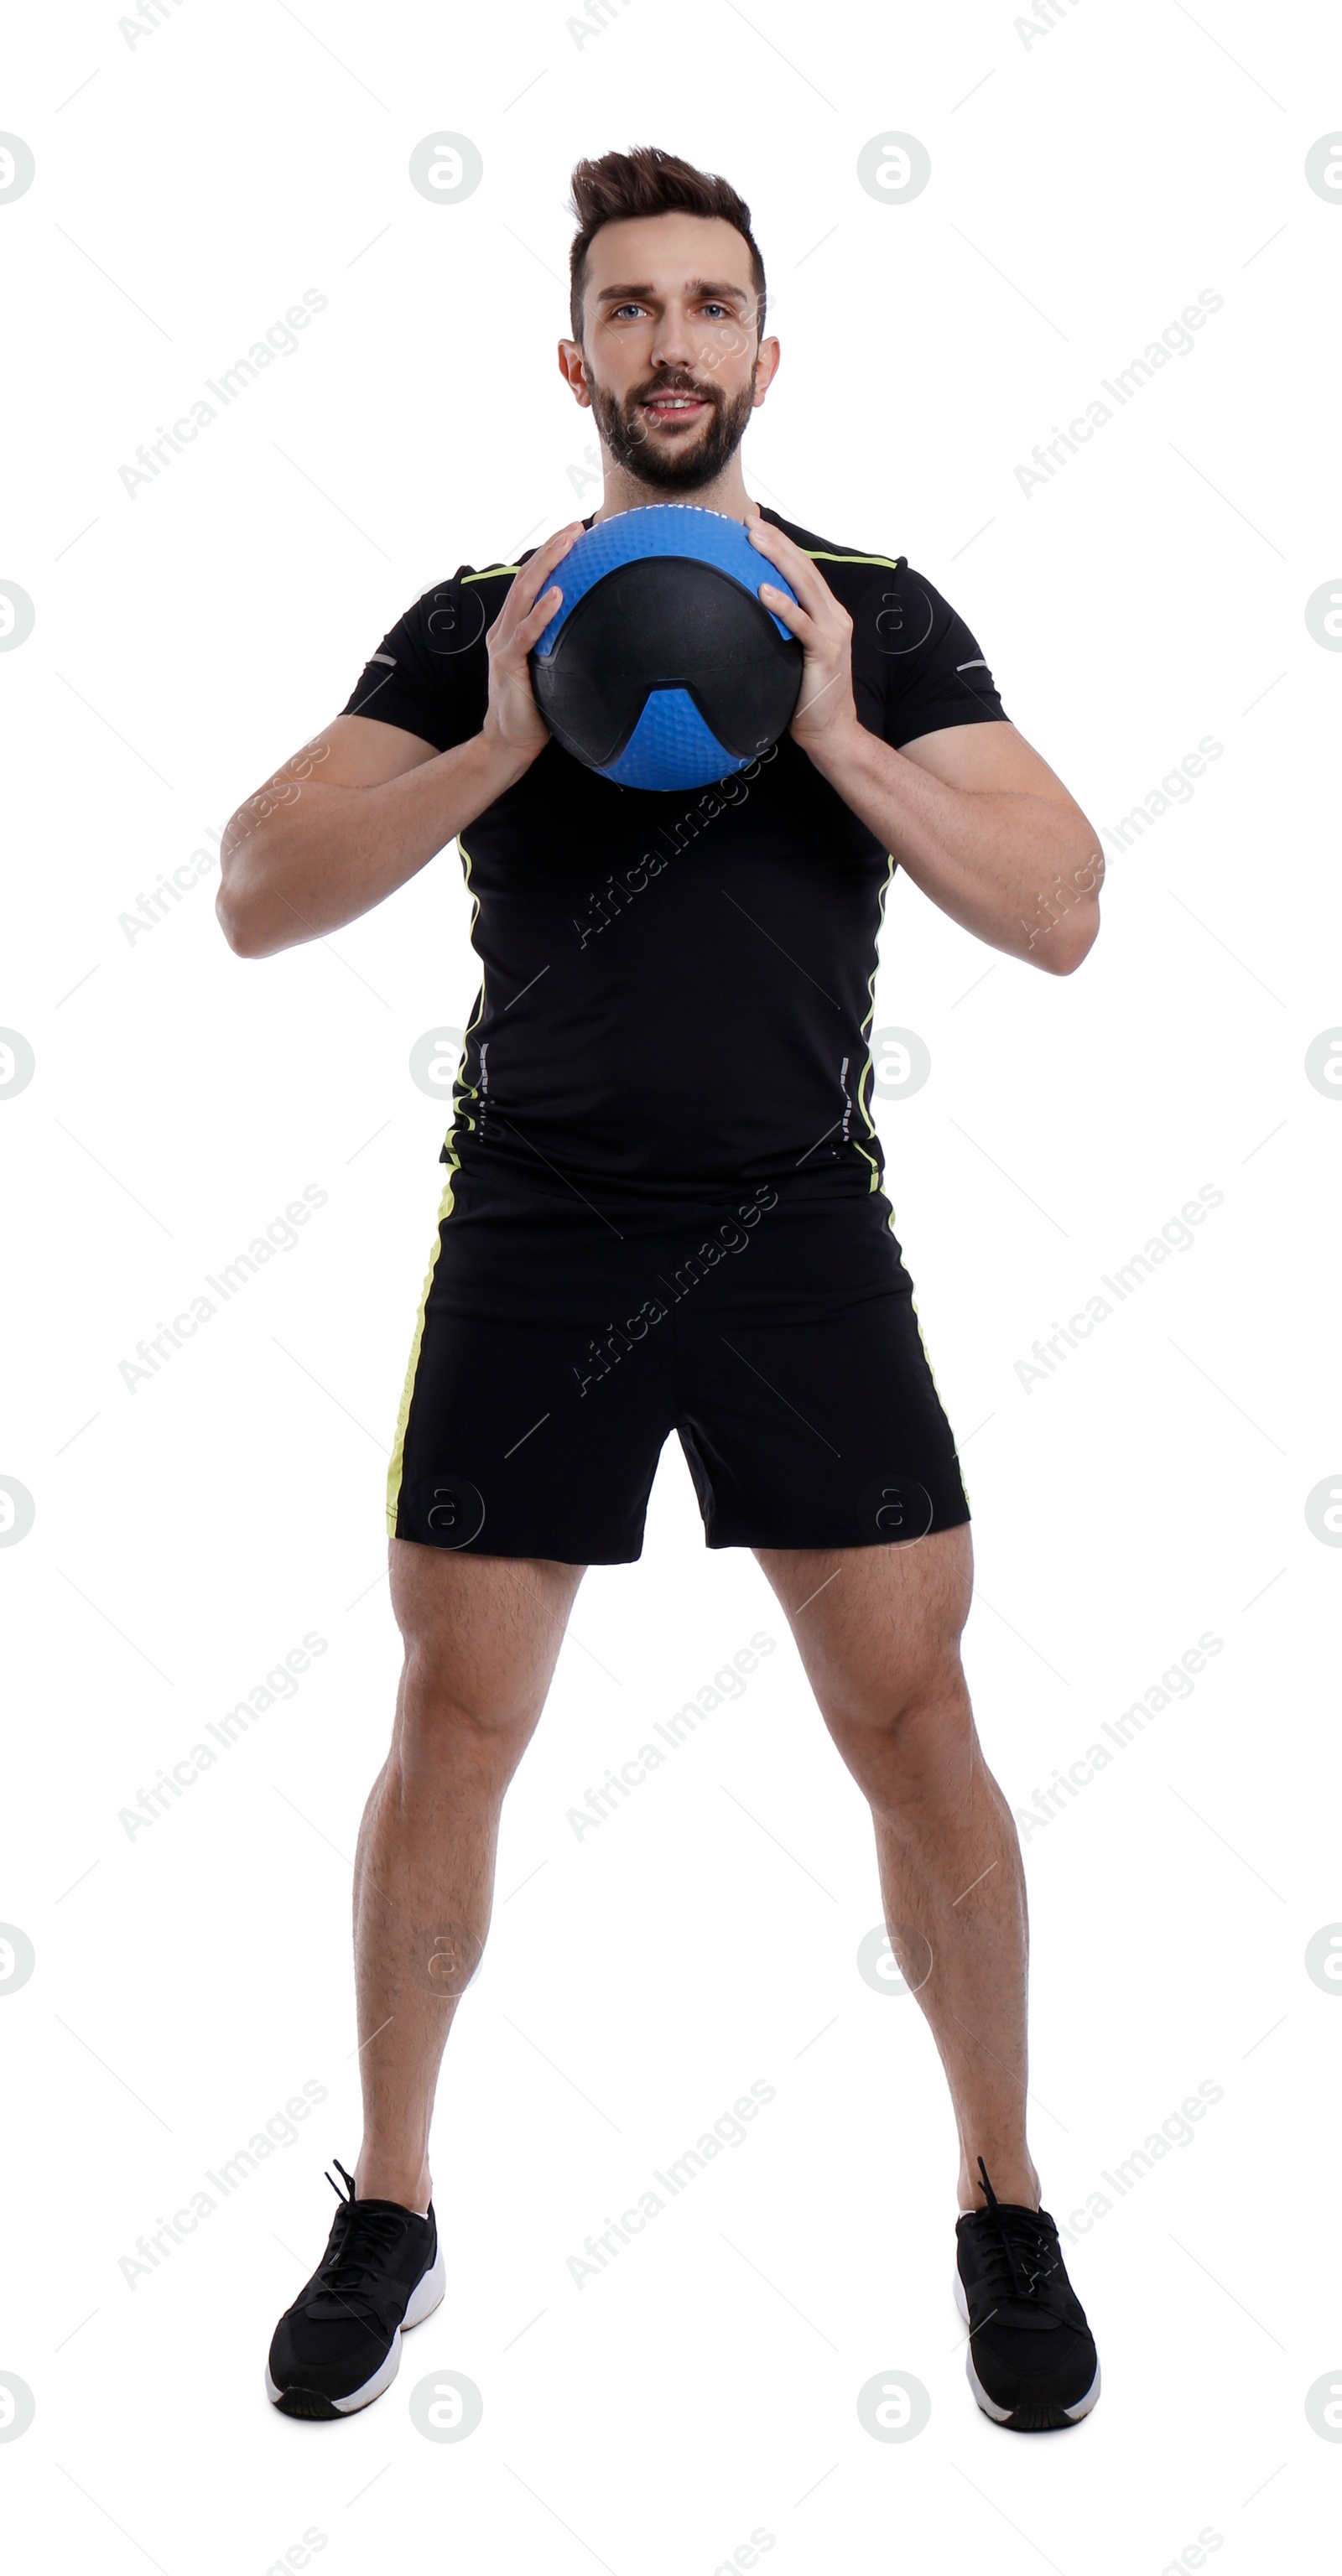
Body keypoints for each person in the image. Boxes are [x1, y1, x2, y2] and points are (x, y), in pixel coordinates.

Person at [218, 144, 1105, 2433]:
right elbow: (254, 885)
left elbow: (1063, 900)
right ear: (577, 355)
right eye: (634, 308)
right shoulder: (472, 617)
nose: (675, 344)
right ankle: (393, 2206)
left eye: (714, 306)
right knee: (458, 1728)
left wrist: (826, 731)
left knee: (918, 1719)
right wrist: (505, 735)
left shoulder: (878, 617)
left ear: (766, 353)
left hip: (802, 1223)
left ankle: (1003, 2200)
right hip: (536, 1220)